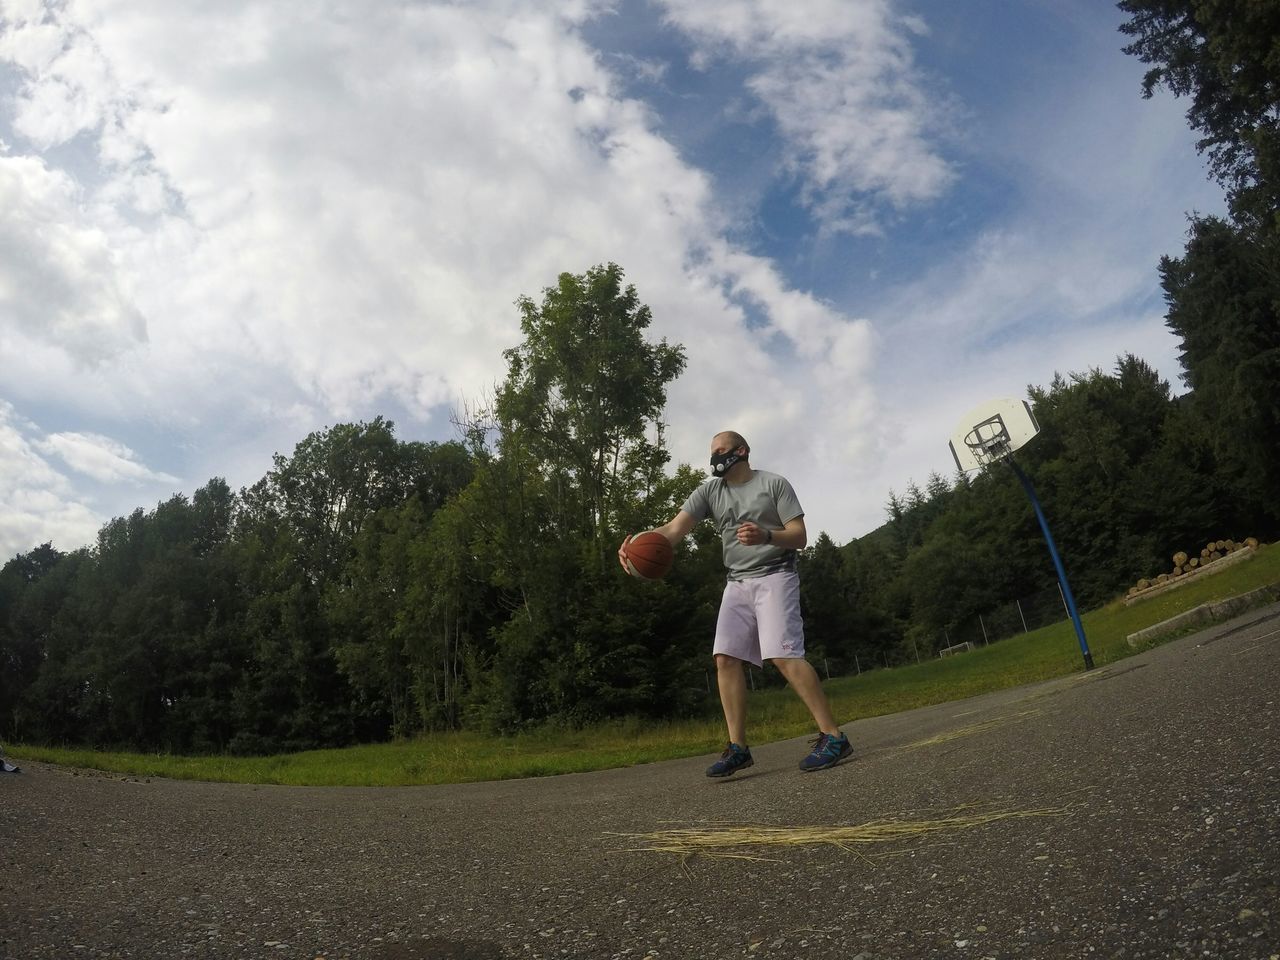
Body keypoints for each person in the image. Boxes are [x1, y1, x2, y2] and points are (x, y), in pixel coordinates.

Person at [619, 431, 851, 777]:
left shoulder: (774, 484)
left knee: (783, 656)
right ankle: (738, 748)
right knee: (725, 658)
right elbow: (672, 529)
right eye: (711, 452)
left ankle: (833, 737)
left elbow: (800, 537)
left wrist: (766, 535)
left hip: (775, 574)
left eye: (721, 450)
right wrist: (637, 543)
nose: (715, 457)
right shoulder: (709, 491)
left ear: (741, 451)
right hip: (737, 582)